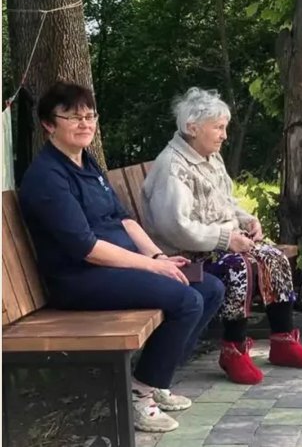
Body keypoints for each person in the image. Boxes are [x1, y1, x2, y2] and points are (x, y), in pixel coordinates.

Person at [18, 81, 225, 434]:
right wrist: (153, 266)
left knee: (210, 287)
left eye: (89, 116)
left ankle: (153, 381)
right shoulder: (47, 177)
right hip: (79, 279)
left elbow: (124, 217)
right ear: (49, 125)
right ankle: (139, 393)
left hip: (118, 267)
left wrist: (159, 255)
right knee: (186, 300)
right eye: (73, 117)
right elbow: (86, 248)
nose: (84, 124)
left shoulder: (87, 162)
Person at [141, 88, 302, 387]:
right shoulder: (173, 167)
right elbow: (175, 226)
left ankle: (283, 341)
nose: (224, 135)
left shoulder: (210, 157)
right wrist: (225, 239)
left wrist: (245, 219)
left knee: (272, 257)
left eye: (225, 127)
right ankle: (233, 350)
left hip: (216, 241)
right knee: (237, 266)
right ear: (192, 127)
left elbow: (226, 202)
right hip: (186, 254)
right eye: (218, 127)